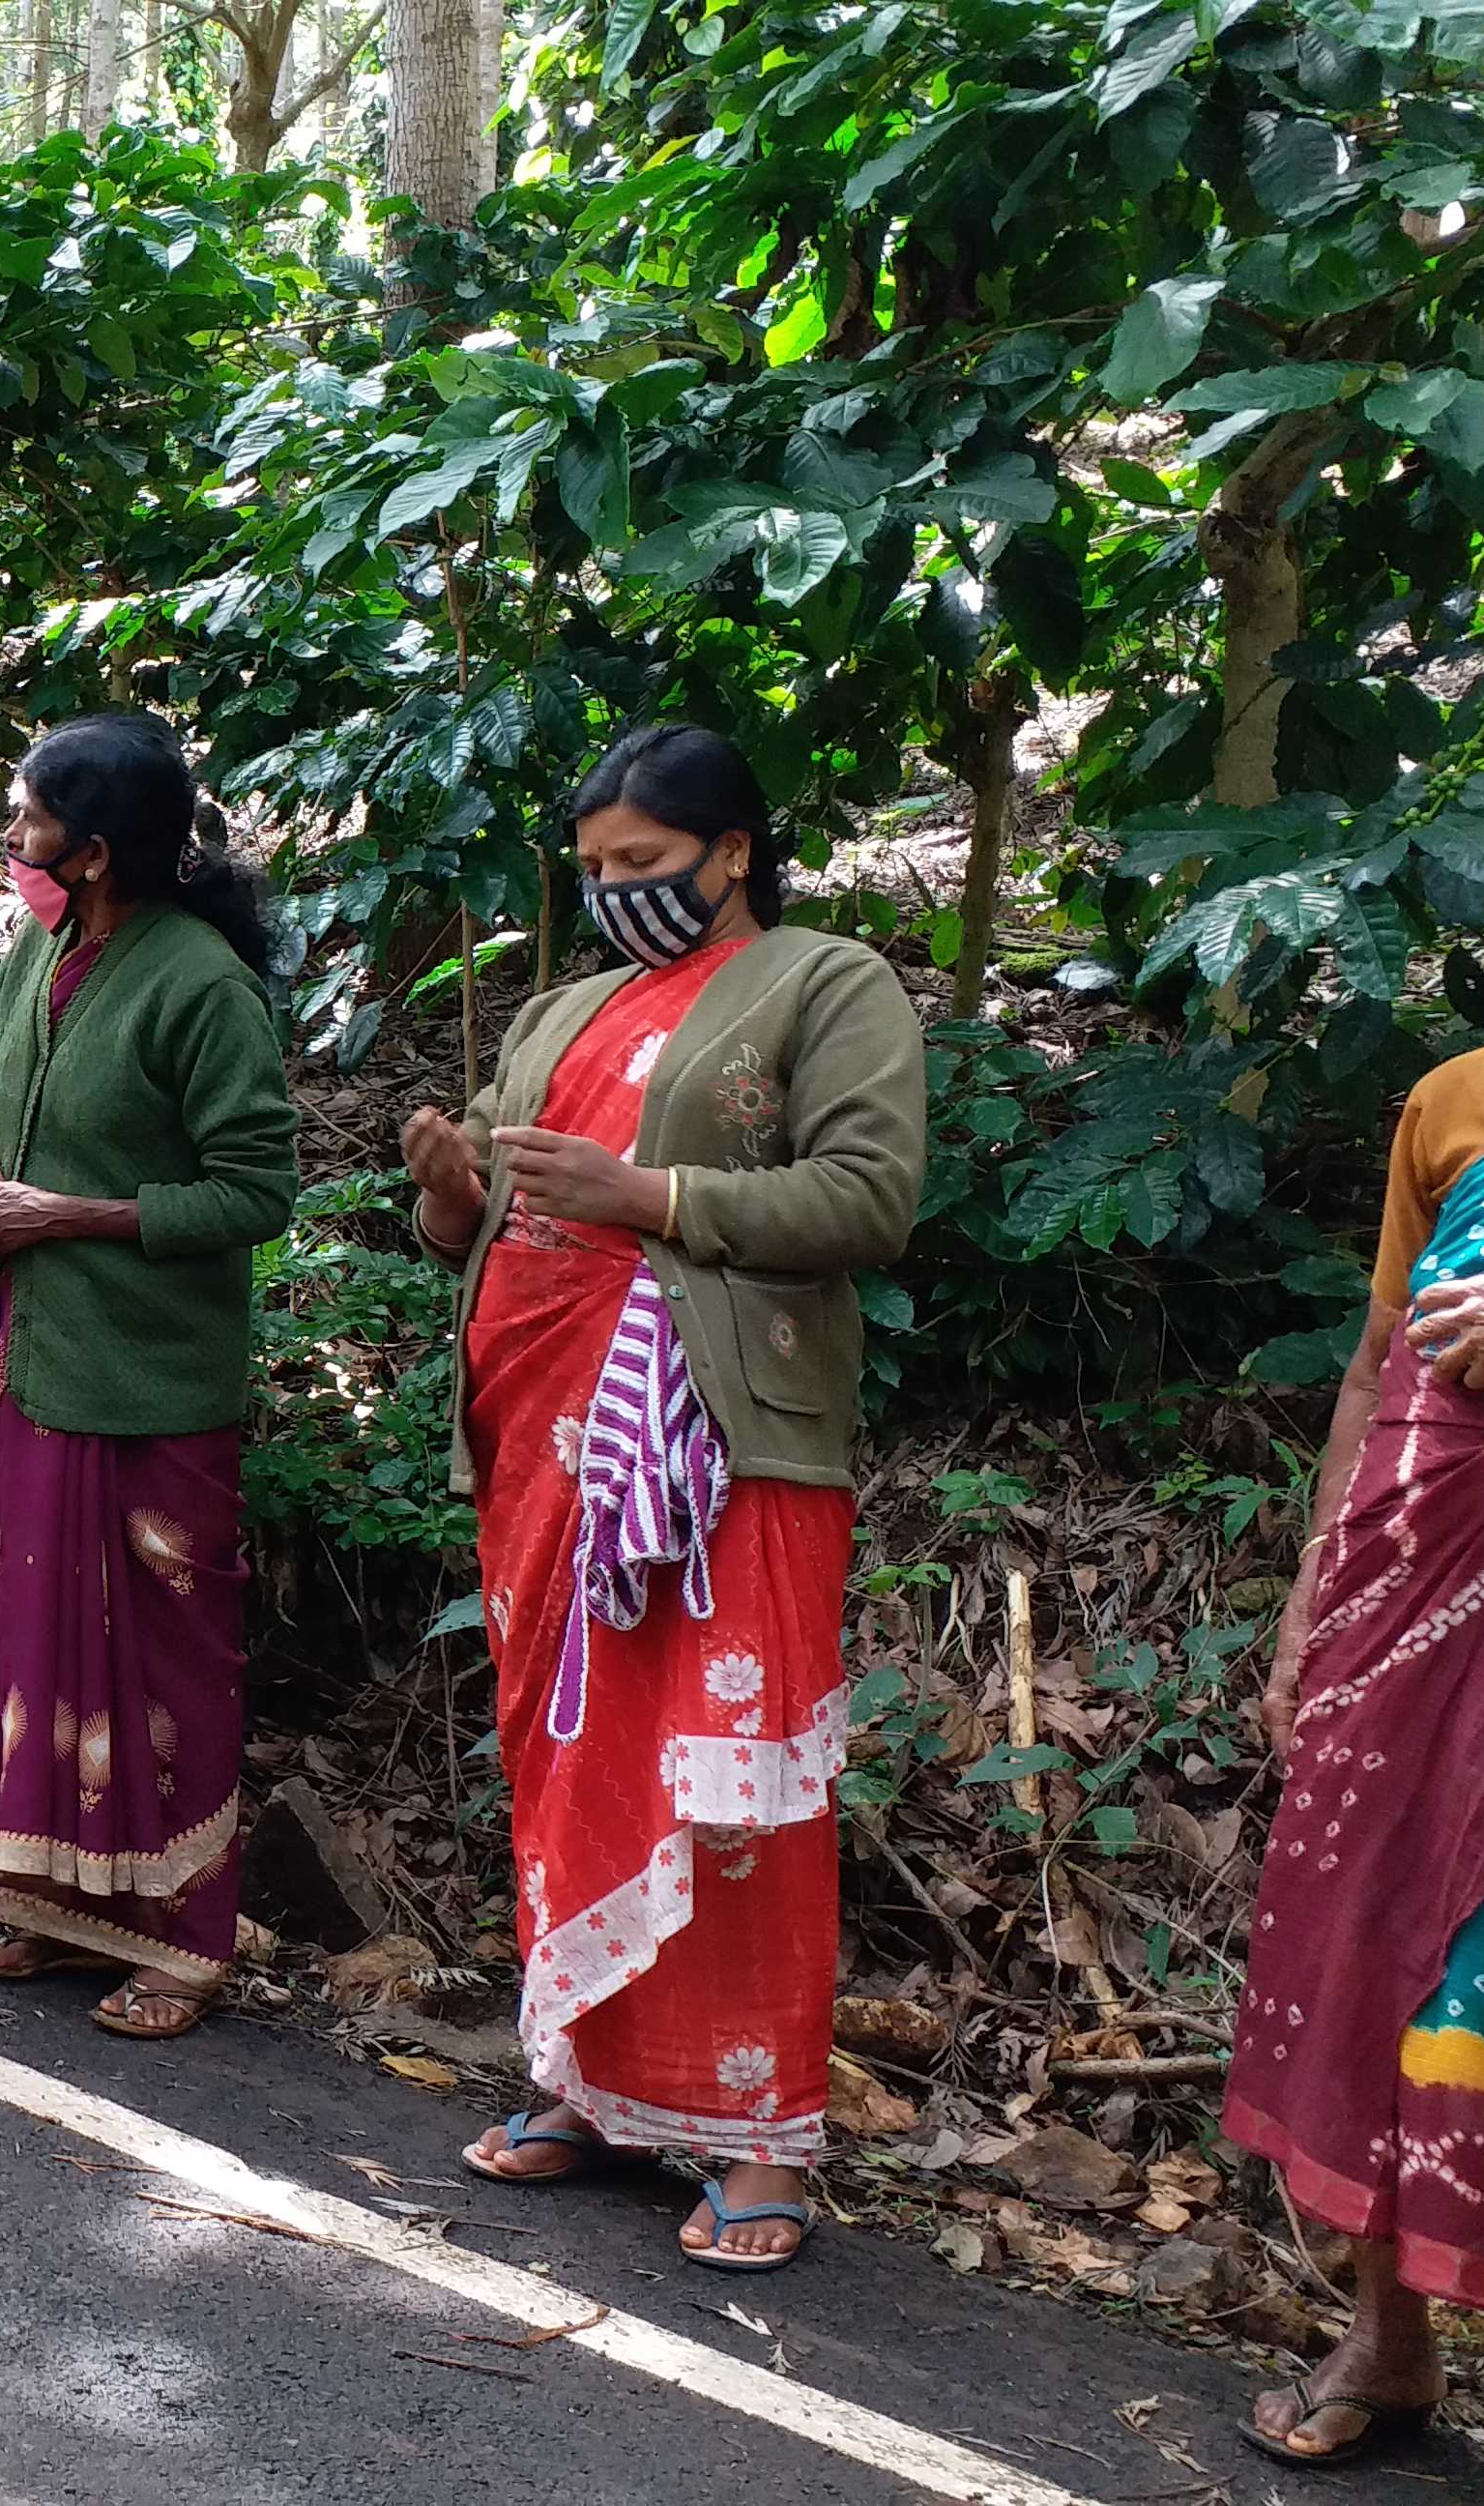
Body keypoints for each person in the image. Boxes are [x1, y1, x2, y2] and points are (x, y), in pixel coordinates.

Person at [408, 722, 925, 2272]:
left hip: (720, 1447)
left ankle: (754, 2140)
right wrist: (451, 1190)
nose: (619, 890)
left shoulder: (827, 982)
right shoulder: (570, 1007)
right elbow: (500, 1220)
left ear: (735, 851)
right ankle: (586, 2079)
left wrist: (656, 1198)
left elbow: (870, 1197)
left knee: (725, 1777)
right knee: (569, 1761)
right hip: (537, 1435)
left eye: (645, 863)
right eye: (595, 871)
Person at [1219, 807, 1484, 2466]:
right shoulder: (1446, 1104)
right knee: (1370, 1928)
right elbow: (1375, 1362)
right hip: (1413, 1586)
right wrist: (1305, 1602)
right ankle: (1388, 2338)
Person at [0, 714, 299, 2037]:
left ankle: (181, 1940)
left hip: (149, 1386)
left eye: (30, 821)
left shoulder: (200, 985)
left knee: (160, 1664)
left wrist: (77, 1218)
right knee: (34, 1647)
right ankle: (49, 1906)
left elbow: (258, 1190)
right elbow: (7, 1118)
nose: (14, 841)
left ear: (92, 853)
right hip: (32, 1364)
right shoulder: (42, 948)